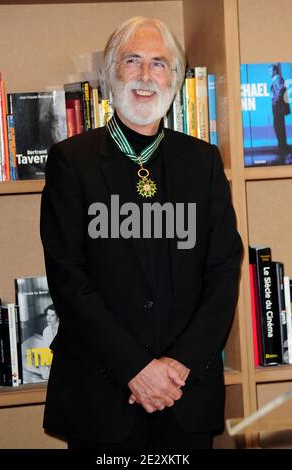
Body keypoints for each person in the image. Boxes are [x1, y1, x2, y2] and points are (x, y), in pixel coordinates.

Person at [40, 17, 243, 450]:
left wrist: (179, 364)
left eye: (159, 63)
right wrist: (136, 368)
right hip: (102, 395)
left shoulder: (203, 163)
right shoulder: (70, 161)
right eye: (132, 62)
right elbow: (67, 280)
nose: (146, 76)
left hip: (184, 392)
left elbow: (224, 271)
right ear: (111, 75)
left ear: (175, 78)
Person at [269, 64, 290, 164]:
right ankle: (282, 148)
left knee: (279, 128)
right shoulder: (276, 79)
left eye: (270, 71)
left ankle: (283, 149)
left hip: (278, 108)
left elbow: (281, 91)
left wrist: (276, 101)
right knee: (278, 128)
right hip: (277, 108)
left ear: (275, 71)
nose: (269, 73)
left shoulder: (278, 78)